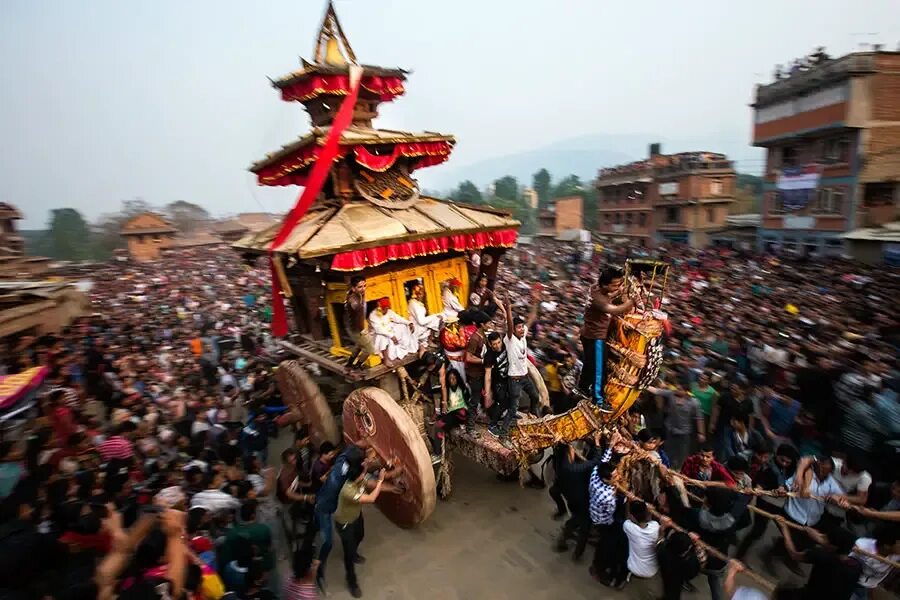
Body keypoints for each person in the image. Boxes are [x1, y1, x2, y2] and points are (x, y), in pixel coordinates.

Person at [578, 265, 635, 411]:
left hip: (588, 333)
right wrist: (631, 302)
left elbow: (609, 295)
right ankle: (598, 399)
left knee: (589, 364)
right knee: (599, 370)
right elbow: (616, 310)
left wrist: (618, 291)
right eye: (615, 285)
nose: (618, 287)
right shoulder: (599, 300)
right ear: (604, 284)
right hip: (596, 337)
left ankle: (582, 387)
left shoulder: (595, 288)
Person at [776, 517, 863, 600]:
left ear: (833, 547)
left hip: (811, 597)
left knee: (782, 593)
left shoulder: (821, 556)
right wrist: (816, 536)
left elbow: (794, 554)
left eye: (826, 538)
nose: (823, 537)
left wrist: (784, 529)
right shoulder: (856, 566)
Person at [334, 463, 385, 598]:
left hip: (356, 516)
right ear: (357, 477)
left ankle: (353, 552)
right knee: (348, 555)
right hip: (345, 523)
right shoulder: (347, 490)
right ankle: (352, 582)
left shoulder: (359, 479)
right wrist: (380, 480)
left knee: (360, 535)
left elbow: (370, 483)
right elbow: (371, 498)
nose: (365, 475)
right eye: (363, 473)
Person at [500, 293, 542, 418]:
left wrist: (536, 302)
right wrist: (508, 309)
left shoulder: (523, 335)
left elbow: (532, 317)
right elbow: (509, 325)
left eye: (522, 327)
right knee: (514, 405)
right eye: (519, 327)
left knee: (535, 396)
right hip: (514, 379)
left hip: (525, 377)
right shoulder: (510, 339)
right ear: (513, 330)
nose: (522, 329)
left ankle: (533, 413)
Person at [663, 387, 705, 469]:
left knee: (682, 454)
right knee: (668, 452)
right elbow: (657, 391)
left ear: (686, 391)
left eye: (680, 389)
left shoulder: (694, 402)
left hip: (684, 433)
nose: (677, 390)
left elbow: (699, 418)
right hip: (670, 430)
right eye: (677, 388)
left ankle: (680, 469)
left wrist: (701, 433)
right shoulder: (671, 395)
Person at [368, 298, 418, 365]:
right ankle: (386, 359)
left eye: (385, 308)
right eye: (381, 308)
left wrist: (409, 323)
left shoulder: (389, 312)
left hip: (389, 331)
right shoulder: (373, 315)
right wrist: (391, 336)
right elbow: (378, 329)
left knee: (403, 326)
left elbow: (398, 318)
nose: (382, 309)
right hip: (376, 335)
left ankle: (404, 350)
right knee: (382, 337)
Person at [622, 500, 662, 580]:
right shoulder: (655, 526)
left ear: (632, 516)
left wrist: (627, 501)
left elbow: (627, 518)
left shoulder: (628, 527)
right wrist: (651, 511)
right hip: (652, 571)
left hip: (633, 568)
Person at [344, 276, 375, 371]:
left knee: (359, 345)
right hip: (357, 329)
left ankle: (349, 364)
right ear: (353, 288)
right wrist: (362, 330)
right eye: (360, 287)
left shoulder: (359, 295)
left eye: (364, 286)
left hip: (355, 327)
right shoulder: (353, 299)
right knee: (370, 350)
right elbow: (355, 306)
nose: (363, 289)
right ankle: (357, 366)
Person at [484, 332, 511, 439]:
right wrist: (487, 393)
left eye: (499, 342)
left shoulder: (505, 344)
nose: (498, 346)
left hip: (508, 378)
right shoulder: (489, 356)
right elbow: (487, 375)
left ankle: (510, 414)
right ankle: (492, 425)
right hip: (498, 382)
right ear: (490, 344)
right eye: (494, 344)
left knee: (511, 397)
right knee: (501, 403)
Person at [407, 283, 441, 351]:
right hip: (417, 327)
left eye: (422, 294)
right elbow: (421, 321)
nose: (421, 296)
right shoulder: (413, 304)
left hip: (420, 324)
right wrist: (434, 316)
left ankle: (430, 340)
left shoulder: (417, 303)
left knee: (438, 318)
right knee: (436, 319)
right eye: (419, 294)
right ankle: (429, 340)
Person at [439, 316, 468, 385]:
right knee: (460, 373)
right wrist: (461, 331)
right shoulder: (449, 334)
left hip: (454, 355)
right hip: (455, 357)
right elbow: (463, 344)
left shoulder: (447, 330)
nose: (457, 324)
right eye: (455, 323)